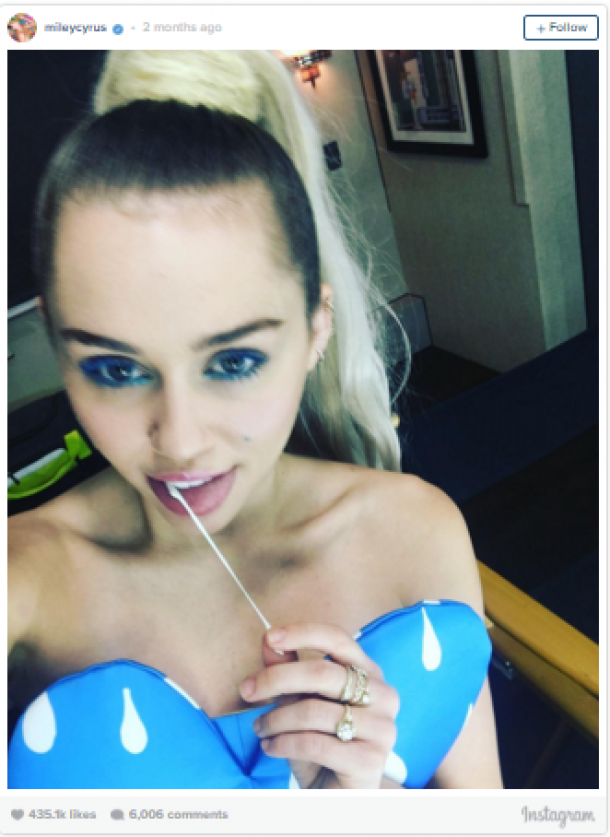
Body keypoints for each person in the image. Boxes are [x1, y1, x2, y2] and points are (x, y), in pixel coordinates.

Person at [7, 50, 503, 789]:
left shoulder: (413, 532)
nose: (179, 441)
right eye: (115, 369)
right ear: (56, 343)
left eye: (234, 361)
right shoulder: (23, 581)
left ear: (314, 328)